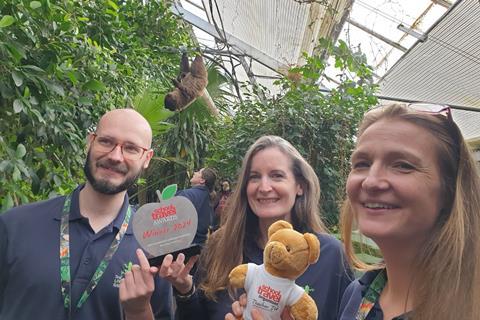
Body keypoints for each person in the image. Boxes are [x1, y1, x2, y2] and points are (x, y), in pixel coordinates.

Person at [0, 109, 173, 320]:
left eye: (131, 148)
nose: (115, 156)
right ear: (90, 142)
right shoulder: (16, 225)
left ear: (147, 158)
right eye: (106, 142)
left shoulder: (154, 247)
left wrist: (138, 310)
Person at [160, 135, 352, 320]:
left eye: (277, 176)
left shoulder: (329, 256)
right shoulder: (221, 245)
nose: (264, 187)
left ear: (299, 186)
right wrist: (185, 291)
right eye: (254, 177)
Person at [338, 103, 480, 320]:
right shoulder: (357, 295)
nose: (371, 181)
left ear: (450, 189)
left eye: (403, 165)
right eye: (362, 163)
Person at [177, 167, 217, 245]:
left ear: (202, 180)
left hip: (183, 247)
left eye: (198, 172)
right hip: (199, 247)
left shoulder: (186, 194)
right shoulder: (209, 199)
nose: (195, 173)